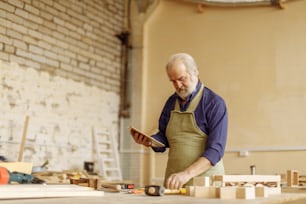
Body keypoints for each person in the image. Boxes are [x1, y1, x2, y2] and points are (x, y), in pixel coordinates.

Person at [131, 53, 228, 190]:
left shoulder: (214, 104)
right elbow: (164, 137)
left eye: (182, 79)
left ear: (195, 72)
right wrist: (150, 141)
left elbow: (216, 150)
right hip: (175, 183)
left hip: (206, 186)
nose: (178, 85)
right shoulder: (171, 103)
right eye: (173, 81)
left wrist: (186, 174)